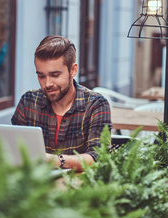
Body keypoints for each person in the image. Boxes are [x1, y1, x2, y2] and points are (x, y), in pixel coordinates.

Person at [11, 35, 112, 171]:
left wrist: (54, 160)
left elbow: (98, 157)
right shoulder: (28, 101)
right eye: (41, 76)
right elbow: (14, 150)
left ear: (73, 70)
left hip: (78, 188)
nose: (47, 84)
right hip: (34, 187)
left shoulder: (96, 104)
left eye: (55, 75)